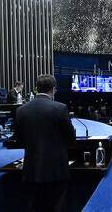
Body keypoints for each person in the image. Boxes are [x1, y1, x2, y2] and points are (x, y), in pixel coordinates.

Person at [15, 75, 76, 212]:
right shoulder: (60, 108)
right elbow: (71, 140)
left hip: (31, 170)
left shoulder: (20, 110)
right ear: (53, 90)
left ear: (36, 89)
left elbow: (18, 140)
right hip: (56, 171)